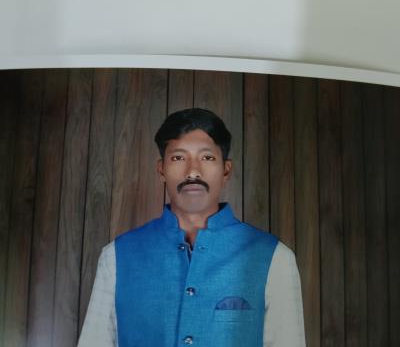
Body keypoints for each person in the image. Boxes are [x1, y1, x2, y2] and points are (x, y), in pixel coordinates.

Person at [78, 108, 306, 347]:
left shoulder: (275, 258)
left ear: (226, 170)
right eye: (178, 158)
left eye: (207, 158)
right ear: (161, 169)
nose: (193, 171)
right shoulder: (116, 256)